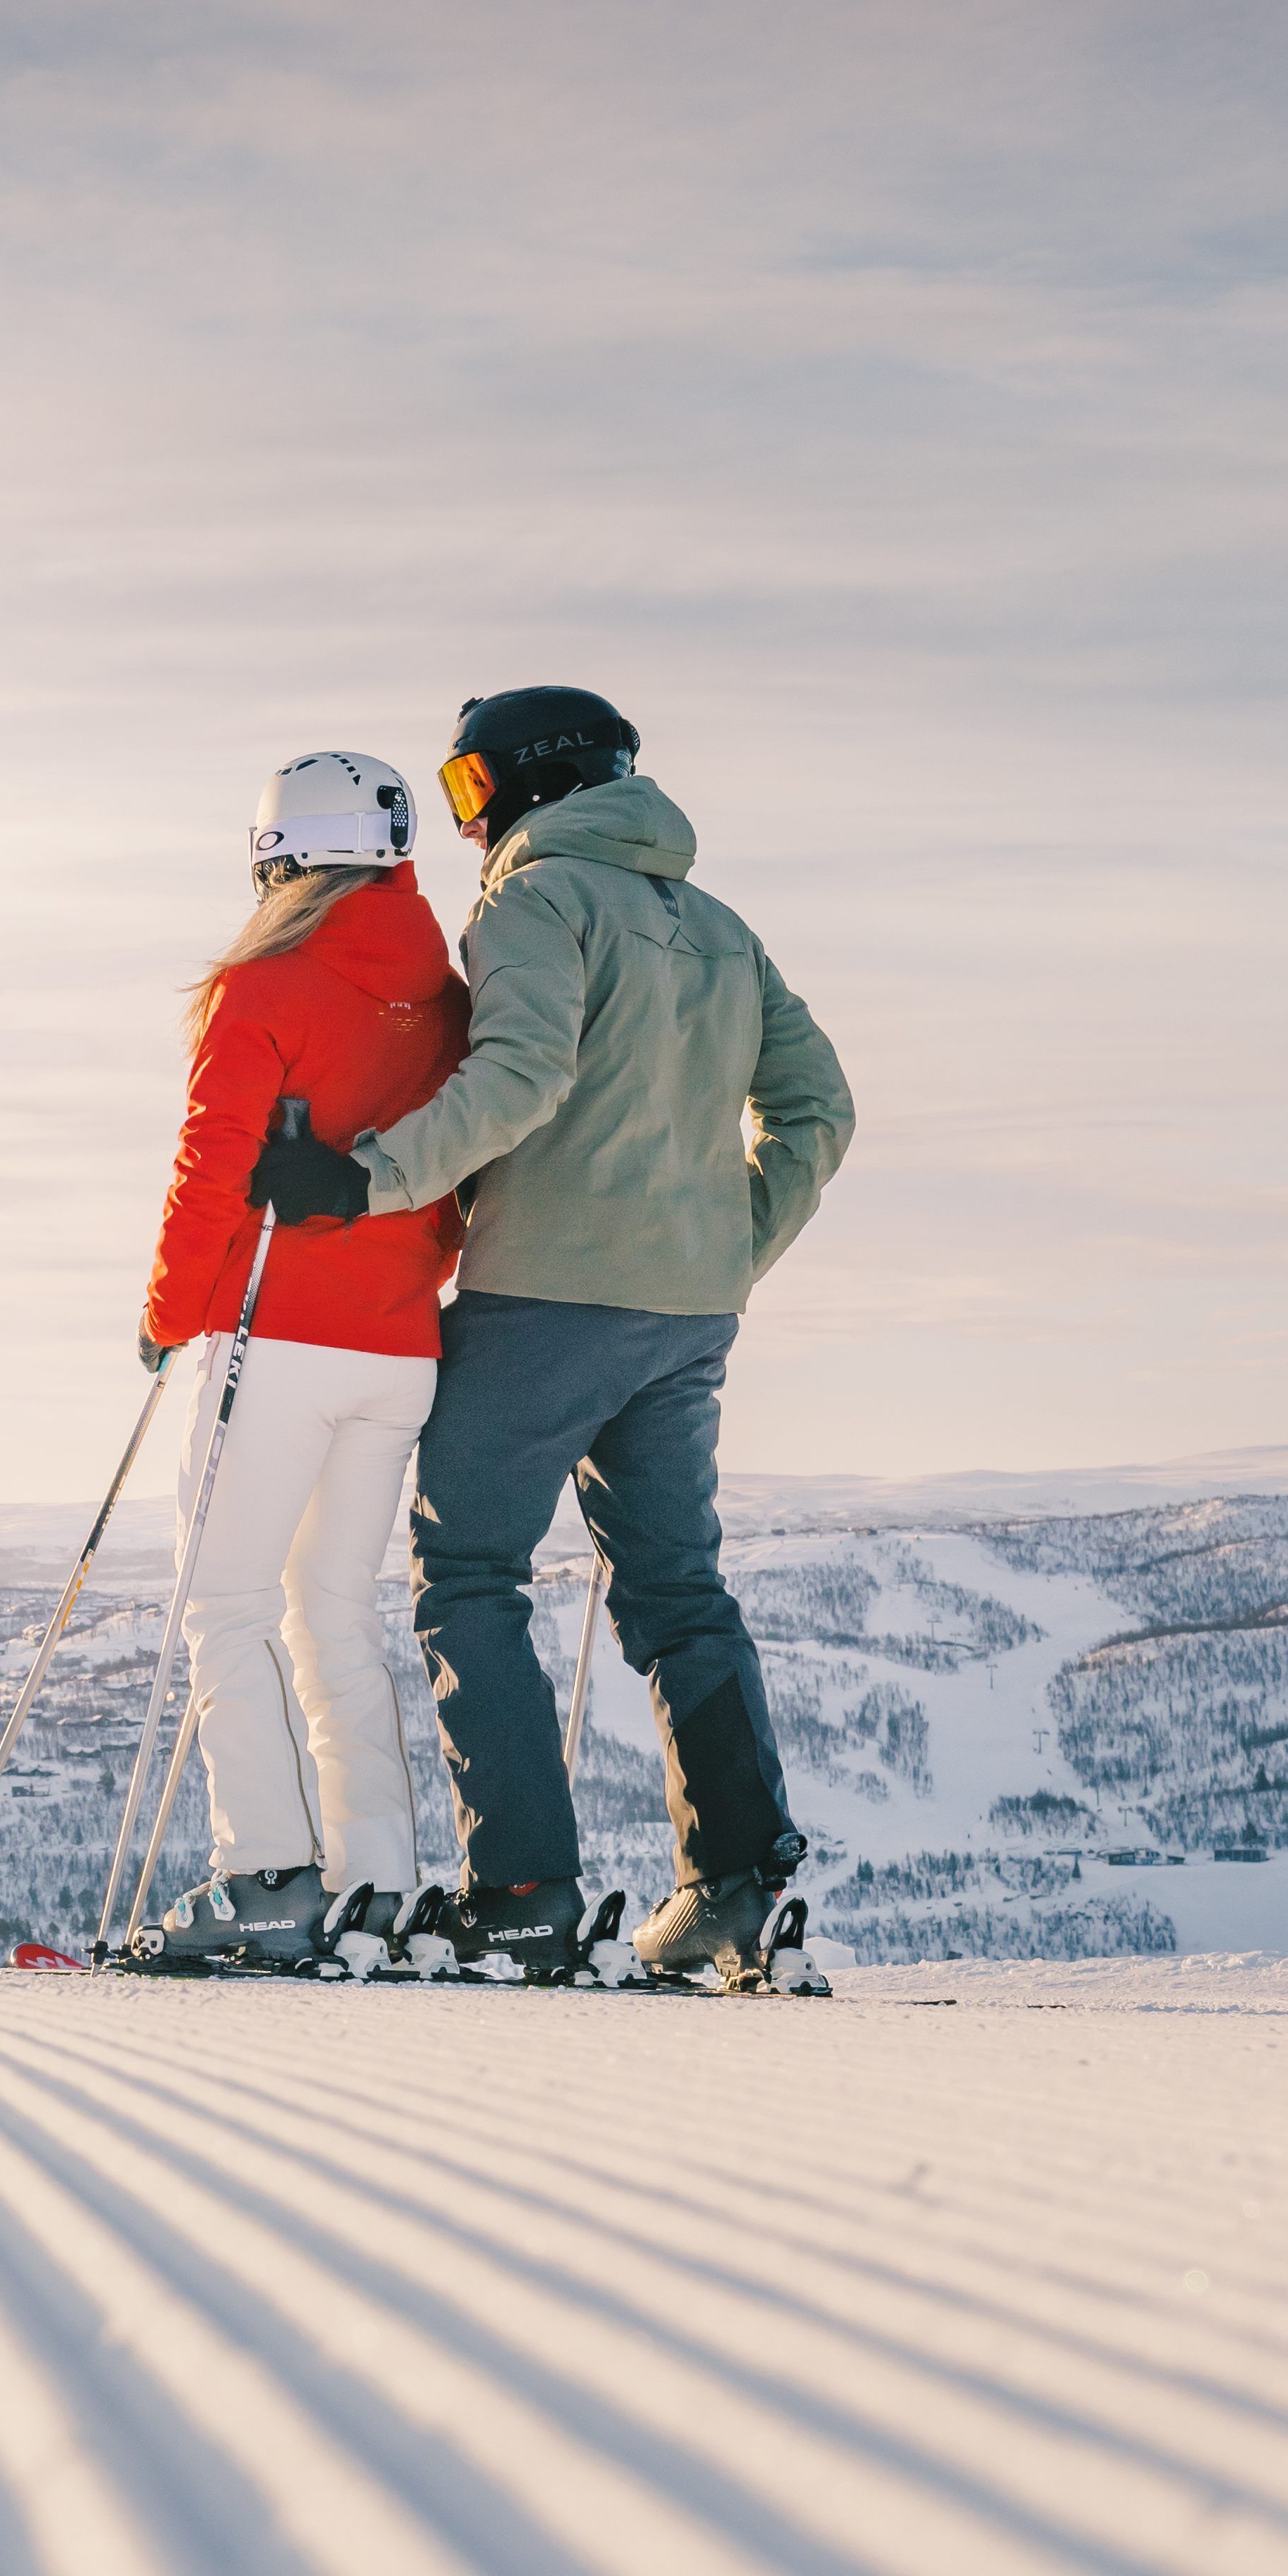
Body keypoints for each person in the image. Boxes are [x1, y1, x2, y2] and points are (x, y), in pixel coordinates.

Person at [249, 685, 853, 1982]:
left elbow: (519, 1076)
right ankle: (738, 1889)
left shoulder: (535, 905)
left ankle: (521, 1891)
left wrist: (365, 1178)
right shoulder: (724, 929)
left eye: (471, 790)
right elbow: (820, 1112)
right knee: (679, 1589)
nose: (468, 822)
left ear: (535, 779)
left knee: (468, 1574)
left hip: (547, 1302)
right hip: (688, 1314)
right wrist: (729, 1249)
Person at [117, 750, 470, 1975]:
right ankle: (376, 1881)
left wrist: (169, 1313)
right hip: (403, 1343)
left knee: (225, 1603)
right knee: (335, 1613)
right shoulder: (448, 991)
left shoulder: (262, 985)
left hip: (274, 1333)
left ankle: (266, 1874)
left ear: (278, 856)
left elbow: (210, 1169)